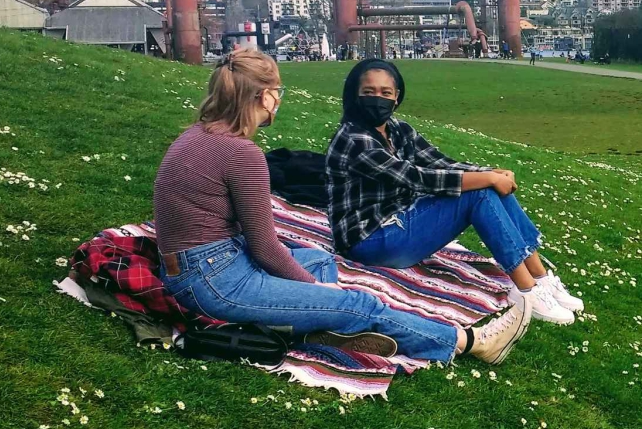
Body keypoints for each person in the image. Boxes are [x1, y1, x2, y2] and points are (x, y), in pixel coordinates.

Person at [154, 52, 531, 365]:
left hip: (200, 265)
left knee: (318, 261)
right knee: (356, 303)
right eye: (277, 91)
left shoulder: (197, 136)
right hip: (214, 279)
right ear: (263, 97)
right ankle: (470, 341)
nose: (279, 99)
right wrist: (325, 298)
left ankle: (323, 330)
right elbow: (266, 249)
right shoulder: (242, 153)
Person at [326, 58, 582, 326]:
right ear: (355, 94)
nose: (377, 99)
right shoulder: (353, 140)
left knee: (488, 185)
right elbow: (417, 178)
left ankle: (540, 278)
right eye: (369, 92)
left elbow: (440, 162)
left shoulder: (399, 129)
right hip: (369, 242)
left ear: (396, 97)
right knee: (479, 192)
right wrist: (487, 179)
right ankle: (526, 292)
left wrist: (492, 172)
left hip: (399, 223)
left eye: (385, 93)